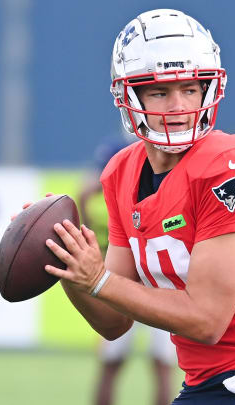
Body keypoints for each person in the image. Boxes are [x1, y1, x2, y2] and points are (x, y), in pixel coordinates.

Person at [31, 9, 235, 404]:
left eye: (190, 89)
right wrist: (72, 269)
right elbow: (114, 321)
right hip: (205, 384)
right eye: (159, 92)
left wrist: (99, 280)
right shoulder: (121, 172)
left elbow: (206, 320)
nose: (179, 106)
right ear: (127, 95)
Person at [78, 140, 176, 405]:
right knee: (159, 365)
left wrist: (92, 228)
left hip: (141, 273)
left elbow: (86, 190)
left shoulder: (120, 160)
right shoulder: (156, 157)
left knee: (117, 364)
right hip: (154, 273)